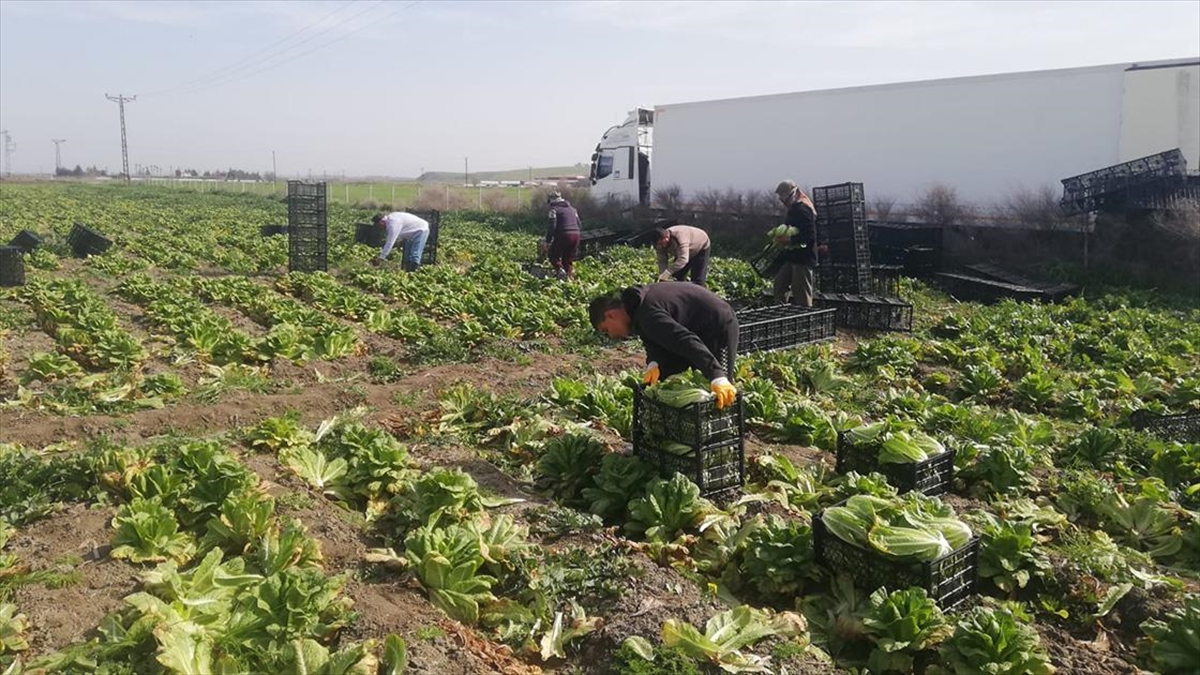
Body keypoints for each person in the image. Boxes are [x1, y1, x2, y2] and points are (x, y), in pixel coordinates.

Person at [589, 283, 738, 408]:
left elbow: (684, 340)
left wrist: (717, 375)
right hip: (695, 328)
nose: (611, 336)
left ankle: (724, 427)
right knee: (673, 377)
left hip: (718, 326)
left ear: (611, 315)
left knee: (721, 390)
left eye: (606, 330)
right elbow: (653, 339)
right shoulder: (636, 308)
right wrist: (654, 363)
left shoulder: (647, 313)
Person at [771, 180, 818, 307]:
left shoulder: (802, 209)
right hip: (792, 256)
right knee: (780, 284)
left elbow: (810, 236)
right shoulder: (794, 208)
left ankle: (805, 317)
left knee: (801, 292)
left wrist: (790, 240)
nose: (781, 199)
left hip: (803, 258)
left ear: (791, 193)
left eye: (782, 195)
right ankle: (781, 313)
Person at [654, 221, 712, 285]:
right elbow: (662, 260)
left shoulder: (680, 237)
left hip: (700, 245)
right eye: (659, 244)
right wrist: (662, 275)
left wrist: (668, 272)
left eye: (662, 243)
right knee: (677, 277)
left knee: (698, 280)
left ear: (667, 237)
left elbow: (683, 259)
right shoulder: (659, 244)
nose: (661, 246)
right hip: (683, 250)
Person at [542, 192, 581, 280]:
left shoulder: (554, 210)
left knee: (553, 255)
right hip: (576, 235)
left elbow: (552, 226)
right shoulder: (573, 209)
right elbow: (579, 224)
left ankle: (561, 272)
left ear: (552, 201)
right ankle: (569, 277)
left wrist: (547, 242)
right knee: (567, 258)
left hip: (564, 235)